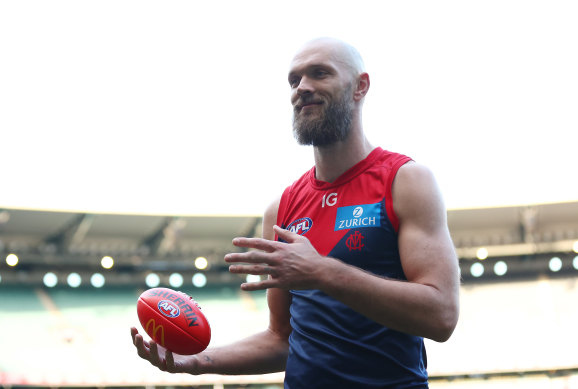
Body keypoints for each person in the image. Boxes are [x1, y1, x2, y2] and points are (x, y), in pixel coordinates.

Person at [130, 37, 460, 388]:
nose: (302, 88)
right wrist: (194, 361)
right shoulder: (282, 208)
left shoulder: (405, 181)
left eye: (319, 74)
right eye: (294, 80)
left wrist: (320, 271)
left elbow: (441, 315)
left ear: (360, 86)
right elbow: (281, 339)